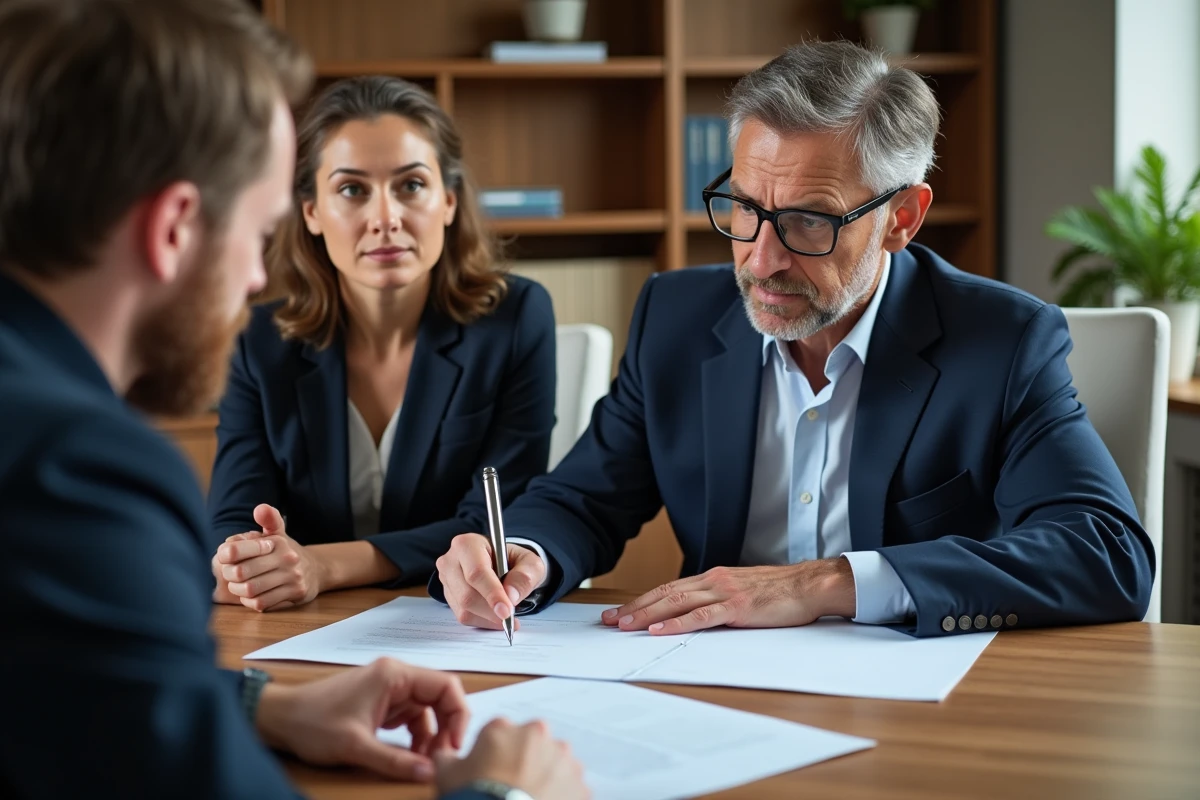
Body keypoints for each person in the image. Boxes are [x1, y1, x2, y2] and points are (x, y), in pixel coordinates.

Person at [0, 2, 585, 798]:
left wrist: (259, 707)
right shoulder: (81, 471)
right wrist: (508, 793)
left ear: (449, 199)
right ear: (176, 227)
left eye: (411, 185)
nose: (251, 278)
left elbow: (59, 691)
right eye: (258, 227)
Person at [432, 40, 1155, 639]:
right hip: (716, 687)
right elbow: (583, 500)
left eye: (811, 220)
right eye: (746, 209)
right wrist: (522, 554)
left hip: (916, 701)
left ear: (902, 218)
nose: (762, 258)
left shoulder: (1001, 341)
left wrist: (826, 583)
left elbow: (1107, 554)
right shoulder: (675, 319)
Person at [207, 75, 556, 613]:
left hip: (453, 618)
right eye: (352, 190)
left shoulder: (516, 320)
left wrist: (321, 565)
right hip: (302, 623)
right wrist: (245, 561)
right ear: (312, 213)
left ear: (448, 201)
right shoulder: (256, 342)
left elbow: (492, 522)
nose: (386, 218)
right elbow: (234, 516)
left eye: (411, 185)